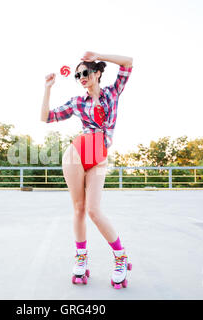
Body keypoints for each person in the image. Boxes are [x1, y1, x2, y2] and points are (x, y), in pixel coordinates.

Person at [40, 51, 133, 289]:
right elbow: (46, 118)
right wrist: (48, 88)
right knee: (79, 208)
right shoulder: (77, 102)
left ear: (98, 73)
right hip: (78, 152)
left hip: (99, 155)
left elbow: (128, 62)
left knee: (94, 210)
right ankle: (81, 258)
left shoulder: (113, 92)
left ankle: (121, 256)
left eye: (86, 72)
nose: (81, 77)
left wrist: (100, 54)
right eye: (77, 74)